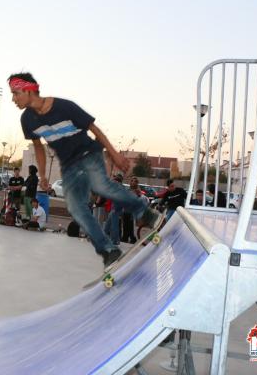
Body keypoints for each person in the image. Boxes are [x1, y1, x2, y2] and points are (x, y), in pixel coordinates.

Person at [9, 72, 160, 266]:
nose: (13, 99)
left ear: (30, 90)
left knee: (100, 185)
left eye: (16, 93)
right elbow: (38, 147)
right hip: (69, 165)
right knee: (75, 207)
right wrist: (42, 174)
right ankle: (109, 250)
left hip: (88, 154)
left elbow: (94, 129)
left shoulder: (64, 106)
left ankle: (145, 213)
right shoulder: (27, 120)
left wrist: (114, 154)